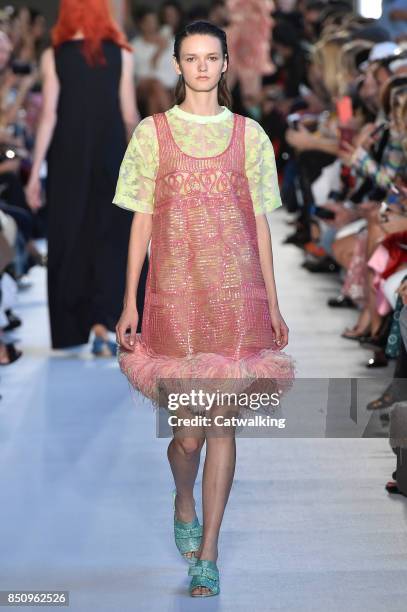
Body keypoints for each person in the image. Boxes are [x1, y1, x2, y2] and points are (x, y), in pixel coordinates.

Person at [113, 20, 295, 597]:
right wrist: (127, 300)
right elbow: (141, 217)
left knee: (220, 428)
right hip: (175, 302)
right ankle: (184, 498)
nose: (201, 67)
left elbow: (261, 226)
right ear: (176, 64)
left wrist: (273, 302)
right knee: (186, 438)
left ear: (223, 65)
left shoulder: (251, 136)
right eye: (190, 57)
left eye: (210, 57)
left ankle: (209, 552)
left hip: (237, 301)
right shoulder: (152, 134)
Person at [25, 0, 147, 356]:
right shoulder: (122, 53)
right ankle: (110, 322)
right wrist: (145, 161)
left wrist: (35, 174)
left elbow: (48, 115)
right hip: (112, 157)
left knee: (72, 234)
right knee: (113, 236)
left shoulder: (55, 55)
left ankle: (80, 324)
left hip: (69, 159)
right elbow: (128, 115)